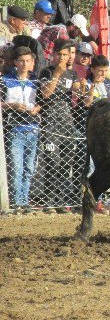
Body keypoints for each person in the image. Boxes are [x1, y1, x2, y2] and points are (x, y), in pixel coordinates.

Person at [38, 38, 80, 212]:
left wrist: (84, 87)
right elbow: (46, 94)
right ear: (53, 55)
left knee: (66, 163)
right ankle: (49, 199)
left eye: (66, 55)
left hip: (67, 123)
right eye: (60, 54)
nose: (63, 58)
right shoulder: (46, 72)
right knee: (52, 161)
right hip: (50, 124)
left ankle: (60, 200)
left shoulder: (73, 74)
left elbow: (79, 93)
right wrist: (57, 74)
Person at [1, 47, 41, 211]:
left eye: (28, 61)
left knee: (29, 168)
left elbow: (42, 103)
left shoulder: (36, 80)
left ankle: (24, 200)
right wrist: (14, 105)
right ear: (16, 62)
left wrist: (36, 109)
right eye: (21, 61)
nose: (24, 64)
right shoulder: (5, 80)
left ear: (33, 62)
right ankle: (17, 201)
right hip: (14, 128)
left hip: (33, 128)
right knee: (17, 167)